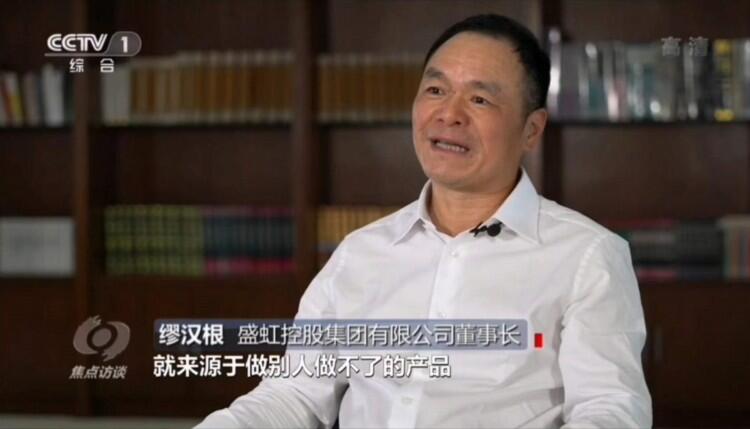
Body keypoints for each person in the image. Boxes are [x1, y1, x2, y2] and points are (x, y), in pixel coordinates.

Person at [195, 14, 652, 428]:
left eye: (479, 99)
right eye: (435, 90)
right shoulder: (360, 253)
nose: (449, 114)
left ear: (531, 130)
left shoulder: (586, 257)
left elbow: (609, 410)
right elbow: (292, 395)